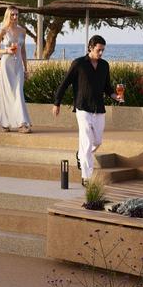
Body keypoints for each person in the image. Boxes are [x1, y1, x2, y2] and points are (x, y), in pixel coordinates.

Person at [52, 35, 122, 186]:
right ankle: (86, 177)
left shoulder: (104, 65)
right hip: (82, 108)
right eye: (99, 50)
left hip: (99, 108)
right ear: (91, 47)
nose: (101, 53)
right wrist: (57, 102)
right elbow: (64, 84)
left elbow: (107, 87)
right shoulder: (78, 64)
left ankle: (80, 155)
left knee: (96, 141)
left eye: (103, 50)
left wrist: (115, 96)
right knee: (86, 142)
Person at [0, 6, 31, 133]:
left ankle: (22, 124)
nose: (15, 17)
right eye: (12, 15)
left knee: (18, 92)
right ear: (8, 15)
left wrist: (26, 69)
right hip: (6, 65)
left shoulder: (22, 31)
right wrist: (6, 50)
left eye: (17, 15)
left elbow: (23, 51)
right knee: (8, 93)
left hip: (18, 66)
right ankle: (5, 122)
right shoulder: (3, 31)